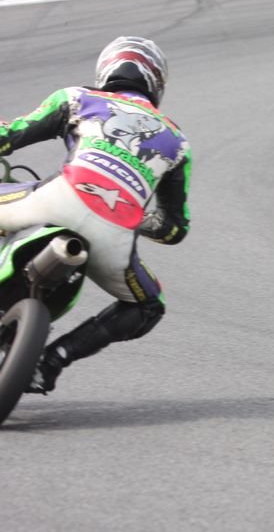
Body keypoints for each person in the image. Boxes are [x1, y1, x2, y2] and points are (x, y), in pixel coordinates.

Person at [0, 36, 191, 394]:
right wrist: (136, 218)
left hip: (51, 201)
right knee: (149, 305)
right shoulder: (178, 142)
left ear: (106, 71)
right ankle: (52, 361)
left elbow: (8, 137)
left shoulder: (77, 98)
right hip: (113, 238)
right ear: (156, 84)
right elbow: (174, 229)